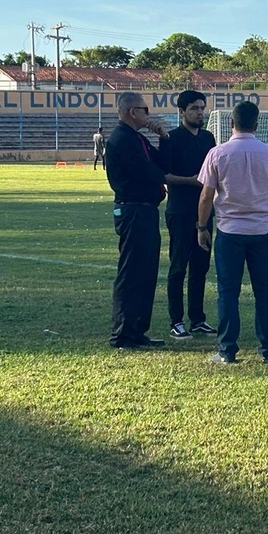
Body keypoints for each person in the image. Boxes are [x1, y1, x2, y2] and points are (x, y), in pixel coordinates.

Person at [197, 101, 268, 363]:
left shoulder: (217, 153)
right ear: (256, 125)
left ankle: (227, 350)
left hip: (229, 231)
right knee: (264, 291)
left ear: (231, 124)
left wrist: (201, 227)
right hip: (262, 231)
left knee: (228, 292)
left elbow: (206, 197)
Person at [105, 92, 171, 350]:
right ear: (133, 112)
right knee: (132, 272)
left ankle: (137, 331)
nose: (149, 114)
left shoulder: (137, 138)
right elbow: (153, 173)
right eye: (145, 109)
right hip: (133, 210)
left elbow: (163, 164)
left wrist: (164, 138)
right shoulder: (122, 139)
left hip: (145, 210)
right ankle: (122, 334)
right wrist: (181, 180)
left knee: (146, 272)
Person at [162, 90, 219, 341]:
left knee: (201, 266)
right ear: (181, 112)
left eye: (202, 108)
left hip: (206, 212)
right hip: (180, 211)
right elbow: (162, 175)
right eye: (194, 108)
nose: (200, 112)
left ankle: (198, 319)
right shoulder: (170, 139)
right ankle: (177, 320)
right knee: (178, 267)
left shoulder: (208, 138)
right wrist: (191, 181)